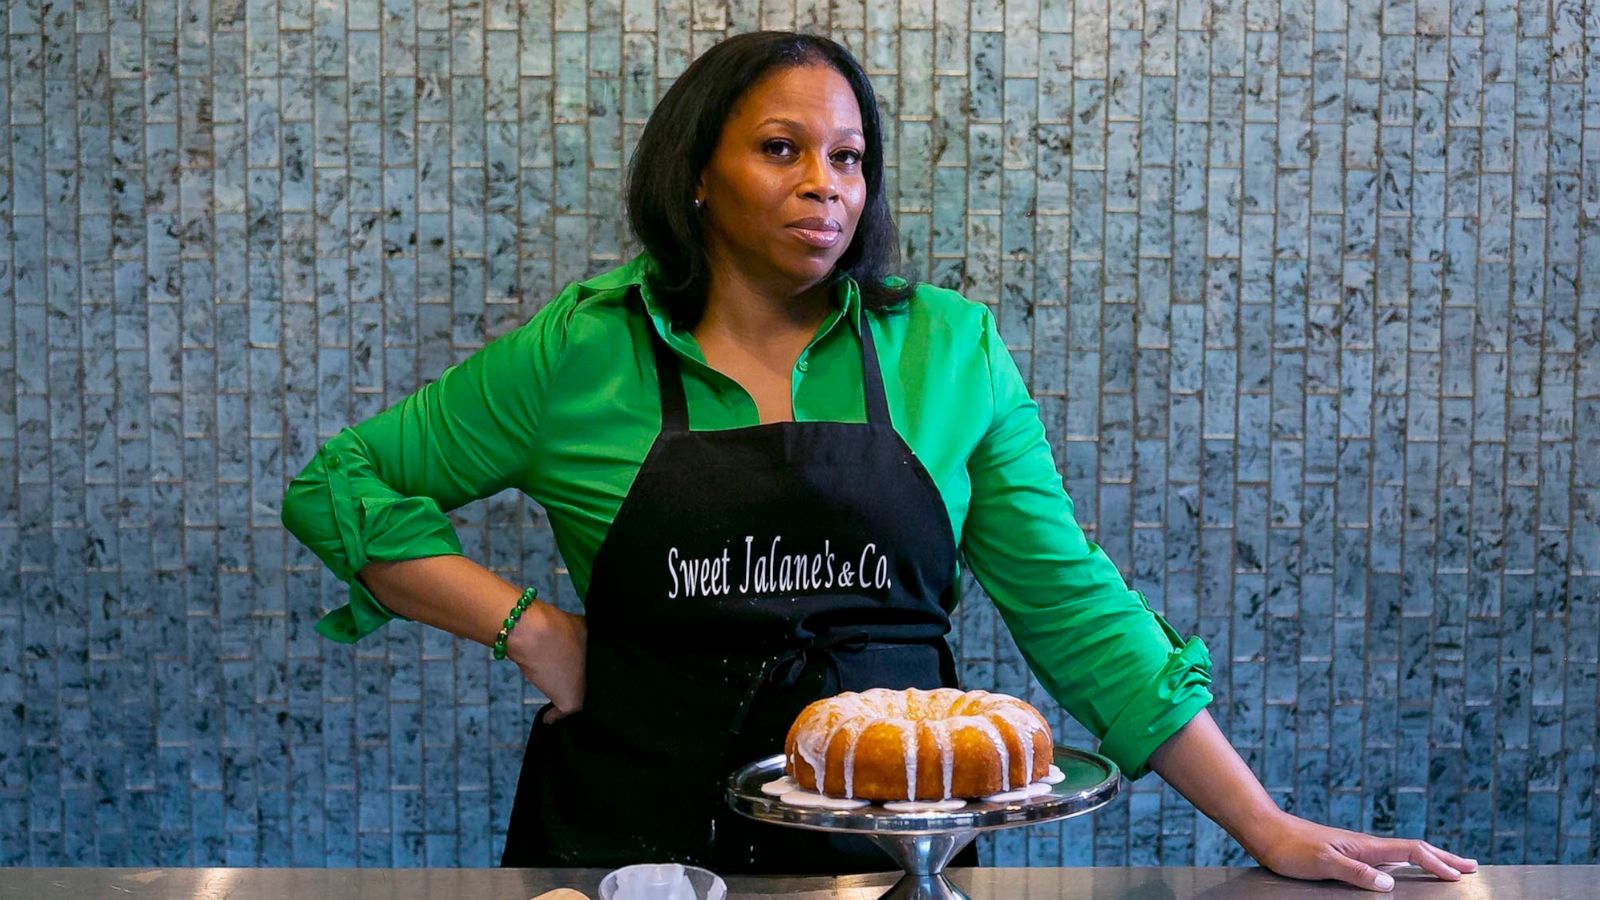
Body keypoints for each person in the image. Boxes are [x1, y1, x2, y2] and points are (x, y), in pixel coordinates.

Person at [282, 30, 1476, 891]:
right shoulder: (580, 353)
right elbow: (339, 485)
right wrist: (529, 628)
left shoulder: (946, 351)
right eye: (782, 148)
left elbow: (1071, 606)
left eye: (850, 159)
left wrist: (1261, 825)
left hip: (885, 858)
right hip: (622, 850)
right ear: (695, 172)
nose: (825, 185)